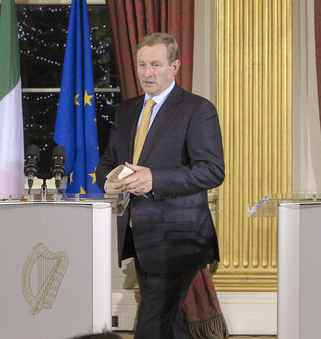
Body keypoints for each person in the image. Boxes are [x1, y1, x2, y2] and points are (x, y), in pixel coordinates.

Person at [96, 32, 225, 339]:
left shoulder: (197, 109)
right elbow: (108, 161)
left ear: (175, 66)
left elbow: (212, 171)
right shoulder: (127, 111)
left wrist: (155, 179)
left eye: (155, 64)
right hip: (138, 234)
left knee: (153, 322)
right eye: (141, 65)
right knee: (170, 322)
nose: (147, 73)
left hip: (179, 236)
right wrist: (109, 180)